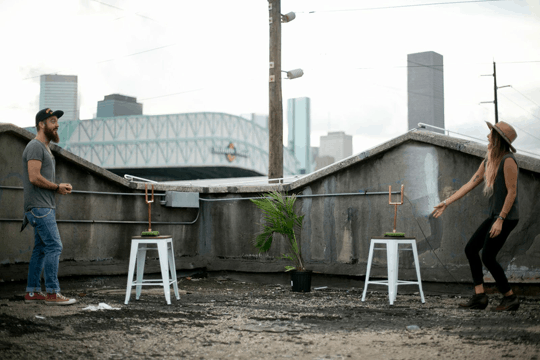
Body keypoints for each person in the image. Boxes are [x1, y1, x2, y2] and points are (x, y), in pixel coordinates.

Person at [432, 121, 520, 311]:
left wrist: (500, 219)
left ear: (498, 140)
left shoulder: (508, 160)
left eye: (491, 134)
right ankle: (480, 296)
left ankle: (510, 297)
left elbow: (512, 192)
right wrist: (446, 203)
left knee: (488, 257)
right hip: (495, 215)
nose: (488, 137)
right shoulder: (489, 161)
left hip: (507, 217)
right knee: (471, 249)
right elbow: (469, 184)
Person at [21, 108, 76, 305]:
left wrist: (56, 189)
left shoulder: (45, 148)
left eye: (57, 121)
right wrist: (57, 187)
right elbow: (34, 177)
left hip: (42, 207)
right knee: (55, 246)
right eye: (52, 121)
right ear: (41, 124)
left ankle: (33, 292)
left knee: (42, 249)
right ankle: (53, 293)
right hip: (40, 208)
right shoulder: (35, 146)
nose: (57, 125)